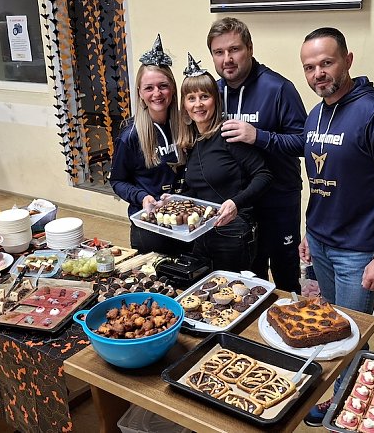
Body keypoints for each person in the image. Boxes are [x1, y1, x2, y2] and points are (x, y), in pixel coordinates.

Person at [298, 27, 374, 425]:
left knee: (352, 334)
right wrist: (309, 231)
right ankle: (343, 394)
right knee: (334, 325)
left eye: (326, 63)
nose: (318, 73)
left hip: (357, 252)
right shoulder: (316, 113)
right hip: (322, 242)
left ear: (348, 60)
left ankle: (347, 406)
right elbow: (321, 181)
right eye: (310, 67)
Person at [207, 17, 307, 292]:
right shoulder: (213, 93)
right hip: (238, 204)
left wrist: (258, 136)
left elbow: (304, 143)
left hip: (278, 199)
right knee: (248, 276)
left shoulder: (278, 89)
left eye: (234, 49)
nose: (227, 58)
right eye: (219, 52)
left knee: (285, 275)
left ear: (250, 48)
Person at [174, 53, 272, 272]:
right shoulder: (190, 142)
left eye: (204, 97)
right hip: (200, 233)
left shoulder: (228, 134)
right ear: (184, 105)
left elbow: (264, 175)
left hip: (234, 233)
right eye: (191, 98)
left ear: (215, 100)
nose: (198, 104)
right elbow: (197, 189)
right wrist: (173, 202)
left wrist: (236, 203)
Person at [110, 35, 188, 255]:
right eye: (149, 88)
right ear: (140, 94)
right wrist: (142, 197)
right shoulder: (130, 135)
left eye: (163, 86)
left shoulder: (186, 125)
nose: (157, 94)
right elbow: (117, 180)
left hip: (186, 222)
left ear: (173, 89)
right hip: (149, 226)